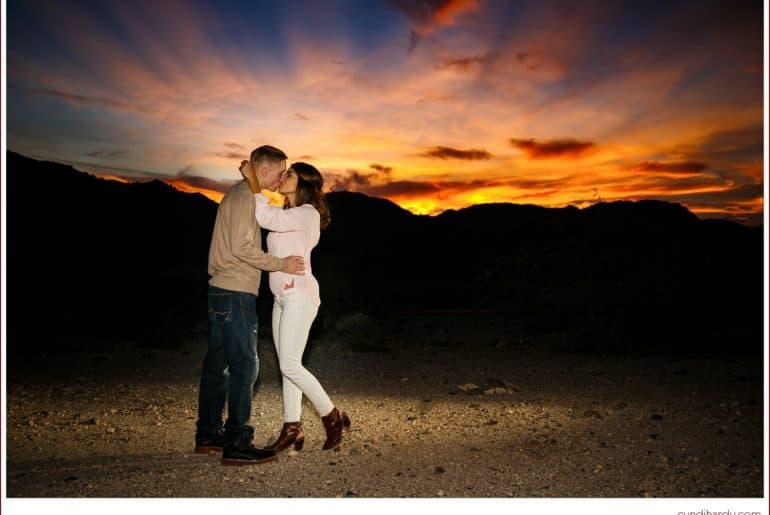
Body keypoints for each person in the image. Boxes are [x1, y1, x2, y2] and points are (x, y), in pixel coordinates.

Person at [196, 145, 306, 466]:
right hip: (236, 291)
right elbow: (244, 247)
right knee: (246, 365)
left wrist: (254, 183)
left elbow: (264, 203)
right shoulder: (245, 196)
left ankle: (207, 434)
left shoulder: (239, 193)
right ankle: (237, 443)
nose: (280, 179)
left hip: (219, 289)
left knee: (217, 365)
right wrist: (280, 264)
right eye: (279, 171)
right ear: (265, 169)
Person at [239, 159, 351, 453]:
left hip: (300, 296)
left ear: (302, 184)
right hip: (281, 298)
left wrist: (253, 180)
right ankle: (292, 428)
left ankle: (331, 415)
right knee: (289, 365)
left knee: (289, 363)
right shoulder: (288, 213)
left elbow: (264, 217)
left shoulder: (306, 214)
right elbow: (265, 217)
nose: (284, 176)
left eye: (290, 174)